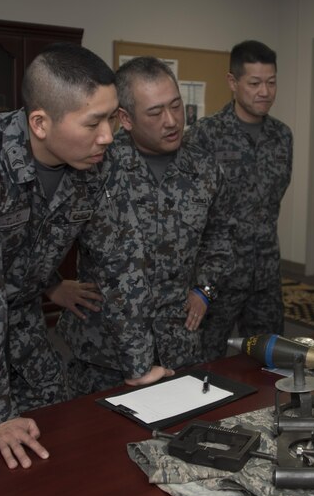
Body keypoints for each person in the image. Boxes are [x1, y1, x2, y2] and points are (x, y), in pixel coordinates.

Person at [0, 43, 159, 470]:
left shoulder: (98, 160)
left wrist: (138, 363)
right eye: (94, 122)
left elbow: (122, 262)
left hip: (17, 309)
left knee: (55, 419)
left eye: (112, 118)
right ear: (40, 122)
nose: (109, 135)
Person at [54, 56, 233, 393]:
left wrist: (205, 289)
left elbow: (221, 235)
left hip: (178, 342)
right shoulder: (95, 166)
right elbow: (40, 237)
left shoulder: (205, 169)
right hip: (103, 350)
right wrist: (51, 286)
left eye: (176, 106)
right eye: (155, 112)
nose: (171, 121)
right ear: (125, 118)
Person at [185, 40, 293, 360]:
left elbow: (273, 201)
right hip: (217, 280)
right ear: (233, 82)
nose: (265, 92)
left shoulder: (282, 136)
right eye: (255, 83)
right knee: (205, 364)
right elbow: (193, 213)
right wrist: (200, 284)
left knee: (270, 361)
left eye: (271, 82)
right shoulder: (204, 135)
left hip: (266, 276)